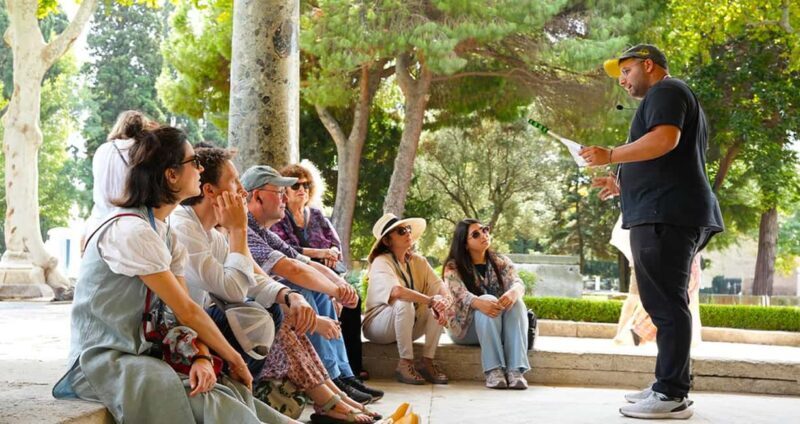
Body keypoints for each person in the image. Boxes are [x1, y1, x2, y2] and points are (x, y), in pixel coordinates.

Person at [53, 126, 288, 423]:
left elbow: (181, 314)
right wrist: (233, 357)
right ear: (171, 174)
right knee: (199, 394)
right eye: (194, 162)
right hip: (102, 361)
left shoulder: (165, 232)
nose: (200, 168)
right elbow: (188, 310)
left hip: (143, 354)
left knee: (225, 389)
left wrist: (201, 356)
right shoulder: (130, 229)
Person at [172, 147, 377, 423]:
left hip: (202, 331)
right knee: (267, 311)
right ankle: (328, 398)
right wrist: (238, 230)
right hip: (184, 336)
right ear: (209, 191)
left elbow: (262, 276)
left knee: (287, 301)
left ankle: (336, 389)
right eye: (234, 183)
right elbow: (235, 289)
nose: (242, 192)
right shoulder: (187, 228)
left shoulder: (214, 234)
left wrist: (290, 296)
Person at [580, 44, 723, 419]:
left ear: (648, 65)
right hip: (666, 211)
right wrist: (622, 183)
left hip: (666, 214)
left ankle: (671, 394)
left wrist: (611, 154)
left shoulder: (666, 90)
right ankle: (668, 384)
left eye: (626, 72)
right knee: (664, 303)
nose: (622, 81)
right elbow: (669, 159)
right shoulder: (670, 95)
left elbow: (664, 140)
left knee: (667, 305)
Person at [241, 165, 383, 404]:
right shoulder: (245, 229)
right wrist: (335, 289)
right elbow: (291, 269)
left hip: (275, 300)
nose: (285, 198)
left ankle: (343, 375)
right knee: (305, 291)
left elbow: (303, 262)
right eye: (280, 192)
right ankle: (331, 381)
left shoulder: (263, 231)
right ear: (257, 196)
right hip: (253, 309)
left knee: (319, 293)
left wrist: (339, 286)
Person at [272, 162, 367, 380]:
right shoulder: (280, 217)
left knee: (352, 302)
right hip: (298, 275)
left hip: (323, 273)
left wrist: (331, 254)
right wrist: (320, 252)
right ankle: (331, 374)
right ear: (284, 190)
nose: (302, 189)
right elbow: (287, 251)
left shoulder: (315, 214)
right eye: (296, 185)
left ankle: (349, 370)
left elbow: (335, 244)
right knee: (316, 297)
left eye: (306, 185)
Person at [441, 219, 530, 389]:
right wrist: (478, 302)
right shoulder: (453, 267)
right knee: (489, 299)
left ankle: (515, 371)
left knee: (517, 304)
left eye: (485, 230)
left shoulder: (500, 261)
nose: (484, 235)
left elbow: (517, 282)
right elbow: (460, 294)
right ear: (465, 244)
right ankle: (493, 370)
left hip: (496, 326)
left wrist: (513, 292)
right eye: (476, 234)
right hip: (465, 329)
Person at [362, 213, 450, 385]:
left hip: (408, 323)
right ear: (387, 241)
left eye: (408, 229)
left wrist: (444, 301)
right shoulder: (381, 261)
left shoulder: (419, 261)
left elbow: (439, 285)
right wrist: (431, 301)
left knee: (438, 303)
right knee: (404, 302)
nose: (408, 233)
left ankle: (427, 362)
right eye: (401, 231)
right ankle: (405, 364)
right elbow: (397, 291)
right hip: (378, 325)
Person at [611, 217, 703, 347]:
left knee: (657, 298)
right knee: (647, 299)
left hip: (659, 253)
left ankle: (629, 334)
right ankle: (630, 334)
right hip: (656, 255)